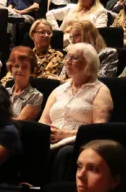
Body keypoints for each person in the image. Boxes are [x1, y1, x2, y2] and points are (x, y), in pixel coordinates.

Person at [39, 43, 113, 180]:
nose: (67, 61)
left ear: (88, 63)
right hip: (50, 140)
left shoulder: (100, 90)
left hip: (78, 142)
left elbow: (100, 128)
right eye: (67, 57)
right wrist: (45, 133)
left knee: (65, 153)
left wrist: (66, 134)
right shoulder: (59, 89)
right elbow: (43, 121)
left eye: (74, 58)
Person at [5, 47, 44, 121]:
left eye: (25, 67)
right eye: (16, 66)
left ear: (32, 70)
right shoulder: (4, 92)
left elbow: (20, 122)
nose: (20, 70)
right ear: (11, 68)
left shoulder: (36, 96)